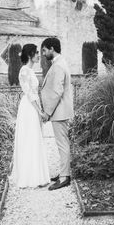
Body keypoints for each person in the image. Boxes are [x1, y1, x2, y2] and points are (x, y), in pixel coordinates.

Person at [10, 43, 50, 188]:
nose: (39, 55)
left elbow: (36, 94)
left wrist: (40, 109)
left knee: (35, 137)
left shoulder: (31, 71)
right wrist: (39, 111)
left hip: (34, 106)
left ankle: (36, 174)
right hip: (28, 108)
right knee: (30, 138)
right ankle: (29, 177)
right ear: (30, 55)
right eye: (37, 53)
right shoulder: (24, 71)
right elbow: (29, 93)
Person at [39, 37, 74, 191]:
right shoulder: (59, 63)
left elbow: (57, 91)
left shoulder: (58, 65)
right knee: (62, 143)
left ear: (52, 48)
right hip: (60, 111)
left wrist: (47, 112)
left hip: (59, 111)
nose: (43, 54)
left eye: (45, 50)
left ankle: (65, 177)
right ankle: (63, 173)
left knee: (63, 144)